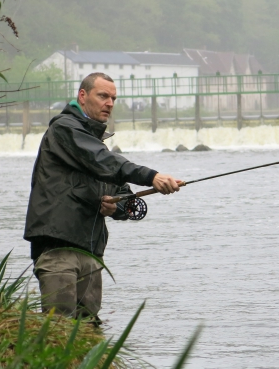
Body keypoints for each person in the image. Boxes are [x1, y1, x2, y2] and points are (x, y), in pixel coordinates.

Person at [24, 72, 180, 324]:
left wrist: (115, 209)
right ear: (83, 96)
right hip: (58, 249)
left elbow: (126, 199)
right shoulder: (64, 129)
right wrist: (151, 176)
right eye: (103, 96)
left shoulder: (95, 145)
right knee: (58, 332)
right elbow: (103, 161)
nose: (109, 103)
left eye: (113, 98)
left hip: (92, 253)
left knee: (88, 336)